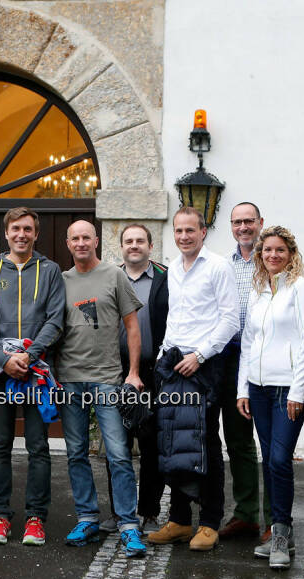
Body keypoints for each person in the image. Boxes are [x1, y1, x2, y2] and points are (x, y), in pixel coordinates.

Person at [146, 207, 238, 552]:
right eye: (179, 231)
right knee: (171, 441)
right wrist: (162, 359)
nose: (184, 236)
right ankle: (180, 521)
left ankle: (210, 521)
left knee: (204, 442)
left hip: (204, 366)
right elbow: (175, 319)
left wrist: (199, 356)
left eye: (190, 230)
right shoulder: (173, 269)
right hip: (171, 365)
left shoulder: (218, 267)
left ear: (203, 232)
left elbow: (230, 320)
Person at [56, 220, 148, 558]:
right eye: (75, 238)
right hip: (69, 380)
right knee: (76, 453)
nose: (81, 243)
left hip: (108, 378)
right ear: (68, 243)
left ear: (96, 240)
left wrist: (133, 373)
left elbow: (132, 326)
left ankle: (127, 524)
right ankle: (87, 518)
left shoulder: (114, 275)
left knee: (119, 454)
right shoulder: (60, 281)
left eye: (86, 237)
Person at [0, 207, 65, 546]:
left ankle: (35, 519)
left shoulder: (51, 270)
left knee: (38, 446)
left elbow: (55, 319)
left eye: (27, 229)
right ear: (6, 233)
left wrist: (29, 355)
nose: (22, 235)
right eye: (16, 229)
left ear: (36, 233)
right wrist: (3, 358)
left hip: (35, 372)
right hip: (0, 374)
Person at [235, 226, 304, 569]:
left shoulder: (301, 288)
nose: (273, 255)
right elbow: (248, 343)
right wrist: (243, 388)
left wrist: (298, 390)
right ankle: (281, 530)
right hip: (258, 386)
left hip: (289, 389)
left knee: (281, 460)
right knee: (269, 460)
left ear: (291, 254)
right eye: (267, 250)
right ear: (260, 255)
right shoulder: (259, 290)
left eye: (280, 250)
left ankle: (281, 534)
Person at [102, 223, 168, 534]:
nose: (134, 245)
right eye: (128, 241)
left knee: (152, 443)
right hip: (116, 371)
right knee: (117, 445)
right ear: (121, 247)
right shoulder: (109, 278)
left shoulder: (165, 279)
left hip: (153, 373)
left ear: (150, 246)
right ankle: (119, 512)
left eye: (140, 240)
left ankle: (150, 512)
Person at [218, 202, 272, 543]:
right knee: (237, 440)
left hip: (266, 359)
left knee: (269, 443)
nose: (243, 227)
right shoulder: (224, 265)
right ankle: (246, 514)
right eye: (237, 222)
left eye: (248, 221)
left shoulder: (275, 261)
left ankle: (274, 520)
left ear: (260, 223)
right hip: (229, 356)